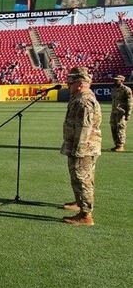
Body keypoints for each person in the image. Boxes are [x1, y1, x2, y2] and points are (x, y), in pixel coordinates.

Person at [60, 67, 101, 226]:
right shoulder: (79, 97)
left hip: (83, 148)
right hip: (80, 146)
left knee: (82, 179)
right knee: (80, 178)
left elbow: (85, 127)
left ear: (79, 83)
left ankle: (85, 215)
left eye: (71, 82)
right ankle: (80, 203)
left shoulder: (84, 100)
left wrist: (79, 150)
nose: (68, 85)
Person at [110, 75, 132, 151]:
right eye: (114, 80)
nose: (115, 81)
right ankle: (116, 144)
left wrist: (128, 114)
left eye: (117, 80)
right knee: (113, 128)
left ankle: (120, 145)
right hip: (114, 112)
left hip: (121, 112)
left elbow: (130, 102)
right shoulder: (114, 89)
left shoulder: (126, 89)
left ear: (122, 81)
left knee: (120, 128)